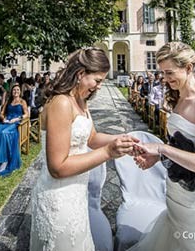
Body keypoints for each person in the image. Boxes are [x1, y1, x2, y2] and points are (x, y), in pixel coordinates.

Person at [29, 47, 138, 251]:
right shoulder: (61, 103)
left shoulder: (80, 100)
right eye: (97, 81)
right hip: (59, 197)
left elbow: (92, 137)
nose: (98, 87)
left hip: (77, 193)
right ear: (80, 74)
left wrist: (122, 139)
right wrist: (107, 153)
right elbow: (57, 167)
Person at [129, 42, 195, 250]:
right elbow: (185, 146)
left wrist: (162, 149)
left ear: (189, 68)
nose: (165, 79)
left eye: (170, 72)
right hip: (176, 194)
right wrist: (158, 157)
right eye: (163, 73)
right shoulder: (180, 99)